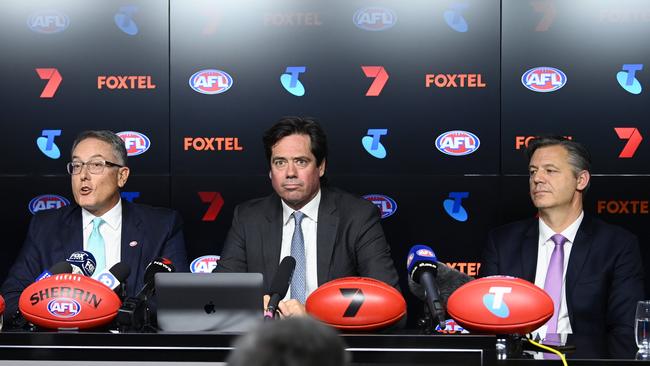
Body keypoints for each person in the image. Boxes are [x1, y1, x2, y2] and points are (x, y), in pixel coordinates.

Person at [216, 116, 400, 317]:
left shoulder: (357, 216)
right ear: (270, 171)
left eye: (301, 161)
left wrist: (316, 317)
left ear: (321, 167)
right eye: (280, 162)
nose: (290, 173)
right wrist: (249, 307)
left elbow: (390, 305)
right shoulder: (248, 218)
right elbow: (219, 296)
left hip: (330, 343)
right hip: (266, 340)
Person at [0, 130, 188, 318]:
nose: (83, 175)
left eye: (96, 165)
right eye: (76, 165)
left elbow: (179, 300)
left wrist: (120, 317)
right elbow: (11, 297)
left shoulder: (162, 226)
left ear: (122, 176)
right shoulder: (45, 227)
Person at [481, 136, 643, 347]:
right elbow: (485, 323)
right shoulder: (502, 242)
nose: (537, 178)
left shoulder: (617, 245)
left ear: (581, 180)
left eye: (550, 170)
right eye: (532, 171)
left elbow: (626, 331)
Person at [226, 316, 349, 366]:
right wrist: (253, 304)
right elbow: (222, 289)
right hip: (262, 344)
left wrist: (311, 311)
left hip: (322, 345)